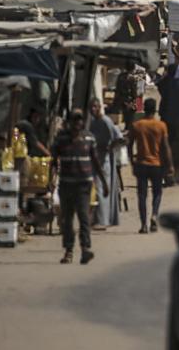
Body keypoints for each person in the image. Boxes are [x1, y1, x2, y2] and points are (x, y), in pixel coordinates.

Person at [51, 109, 107, 265]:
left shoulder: (89, 138)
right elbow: (54, 161)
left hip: (84, 185)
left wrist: (104, 183)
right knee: (67, 219)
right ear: (69, 122)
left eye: (80, 120)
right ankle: (68, 251)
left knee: (83, 217)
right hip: (66, 184)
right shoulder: (61, 139)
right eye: (74, 120)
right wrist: (51, 179)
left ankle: (85, 249)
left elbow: (95, 161)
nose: (77, 123)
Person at [127, 98, 171, 234]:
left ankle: (143, 225)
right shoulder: (161, 126)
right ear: (155, 109)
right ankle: (154, 215)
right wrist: (169, 165)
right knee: (157, 192)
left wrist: (132, 161)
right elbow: (166, 147)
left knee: (142, 195)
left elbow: (129, 145)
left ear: (145, 109)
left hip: (141, 164)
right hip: (156, 164)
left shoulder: (137, 125)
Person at [87, 98, 123, 228]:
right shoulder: (93, 122)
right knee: (96, 188)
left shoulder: (105, 121)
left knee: (102, 187)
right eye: (91, 107)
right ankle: (98, 218)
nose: (93, 110)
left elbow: (119, 138)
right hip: (95, 158)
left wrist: (109, 147)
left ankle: (102, 220)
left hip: (104, 160)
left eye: (95, 107)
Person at [112, 62, 145, 129]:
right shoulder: (139, 76)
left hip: (125, 102)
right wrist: (139, 107)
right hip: (131, 102)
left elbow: (118, 90)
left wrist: (117, 103)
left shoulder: (121, 76)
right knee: (133, 121)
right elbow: (140, 92)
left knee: (128, 120)